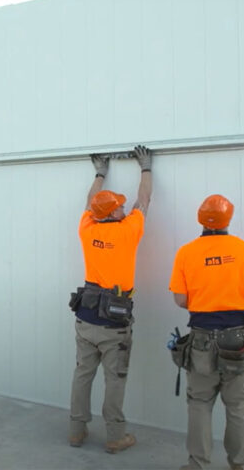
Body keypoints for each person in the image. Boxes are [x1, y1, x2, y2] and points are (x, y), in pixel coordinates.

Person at [169, 194, 244, 470]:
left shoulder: (186, 252)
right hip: (238, 338)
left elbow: (180, 299)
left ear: (200, 220)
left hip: (202, 338)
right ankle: (240, 465)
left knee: (200, 404)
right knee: (238, 406)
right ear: (229, 219)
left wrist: (206, 305)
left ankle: (198, 465)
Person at [68, 144, 152, 454]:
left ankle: (76, 431)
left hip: (86, 319)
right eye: (118, 205)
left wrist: (99, 173)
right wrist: (146, 168)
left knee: (82, 374)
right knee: (115, 378)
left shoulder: (87, 229)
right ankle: (115, 436)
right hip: (114, 324)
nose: (124, 206)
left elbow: (90, 203)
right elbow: (144, 199)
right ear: (113, 213)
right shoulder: (128, 231)